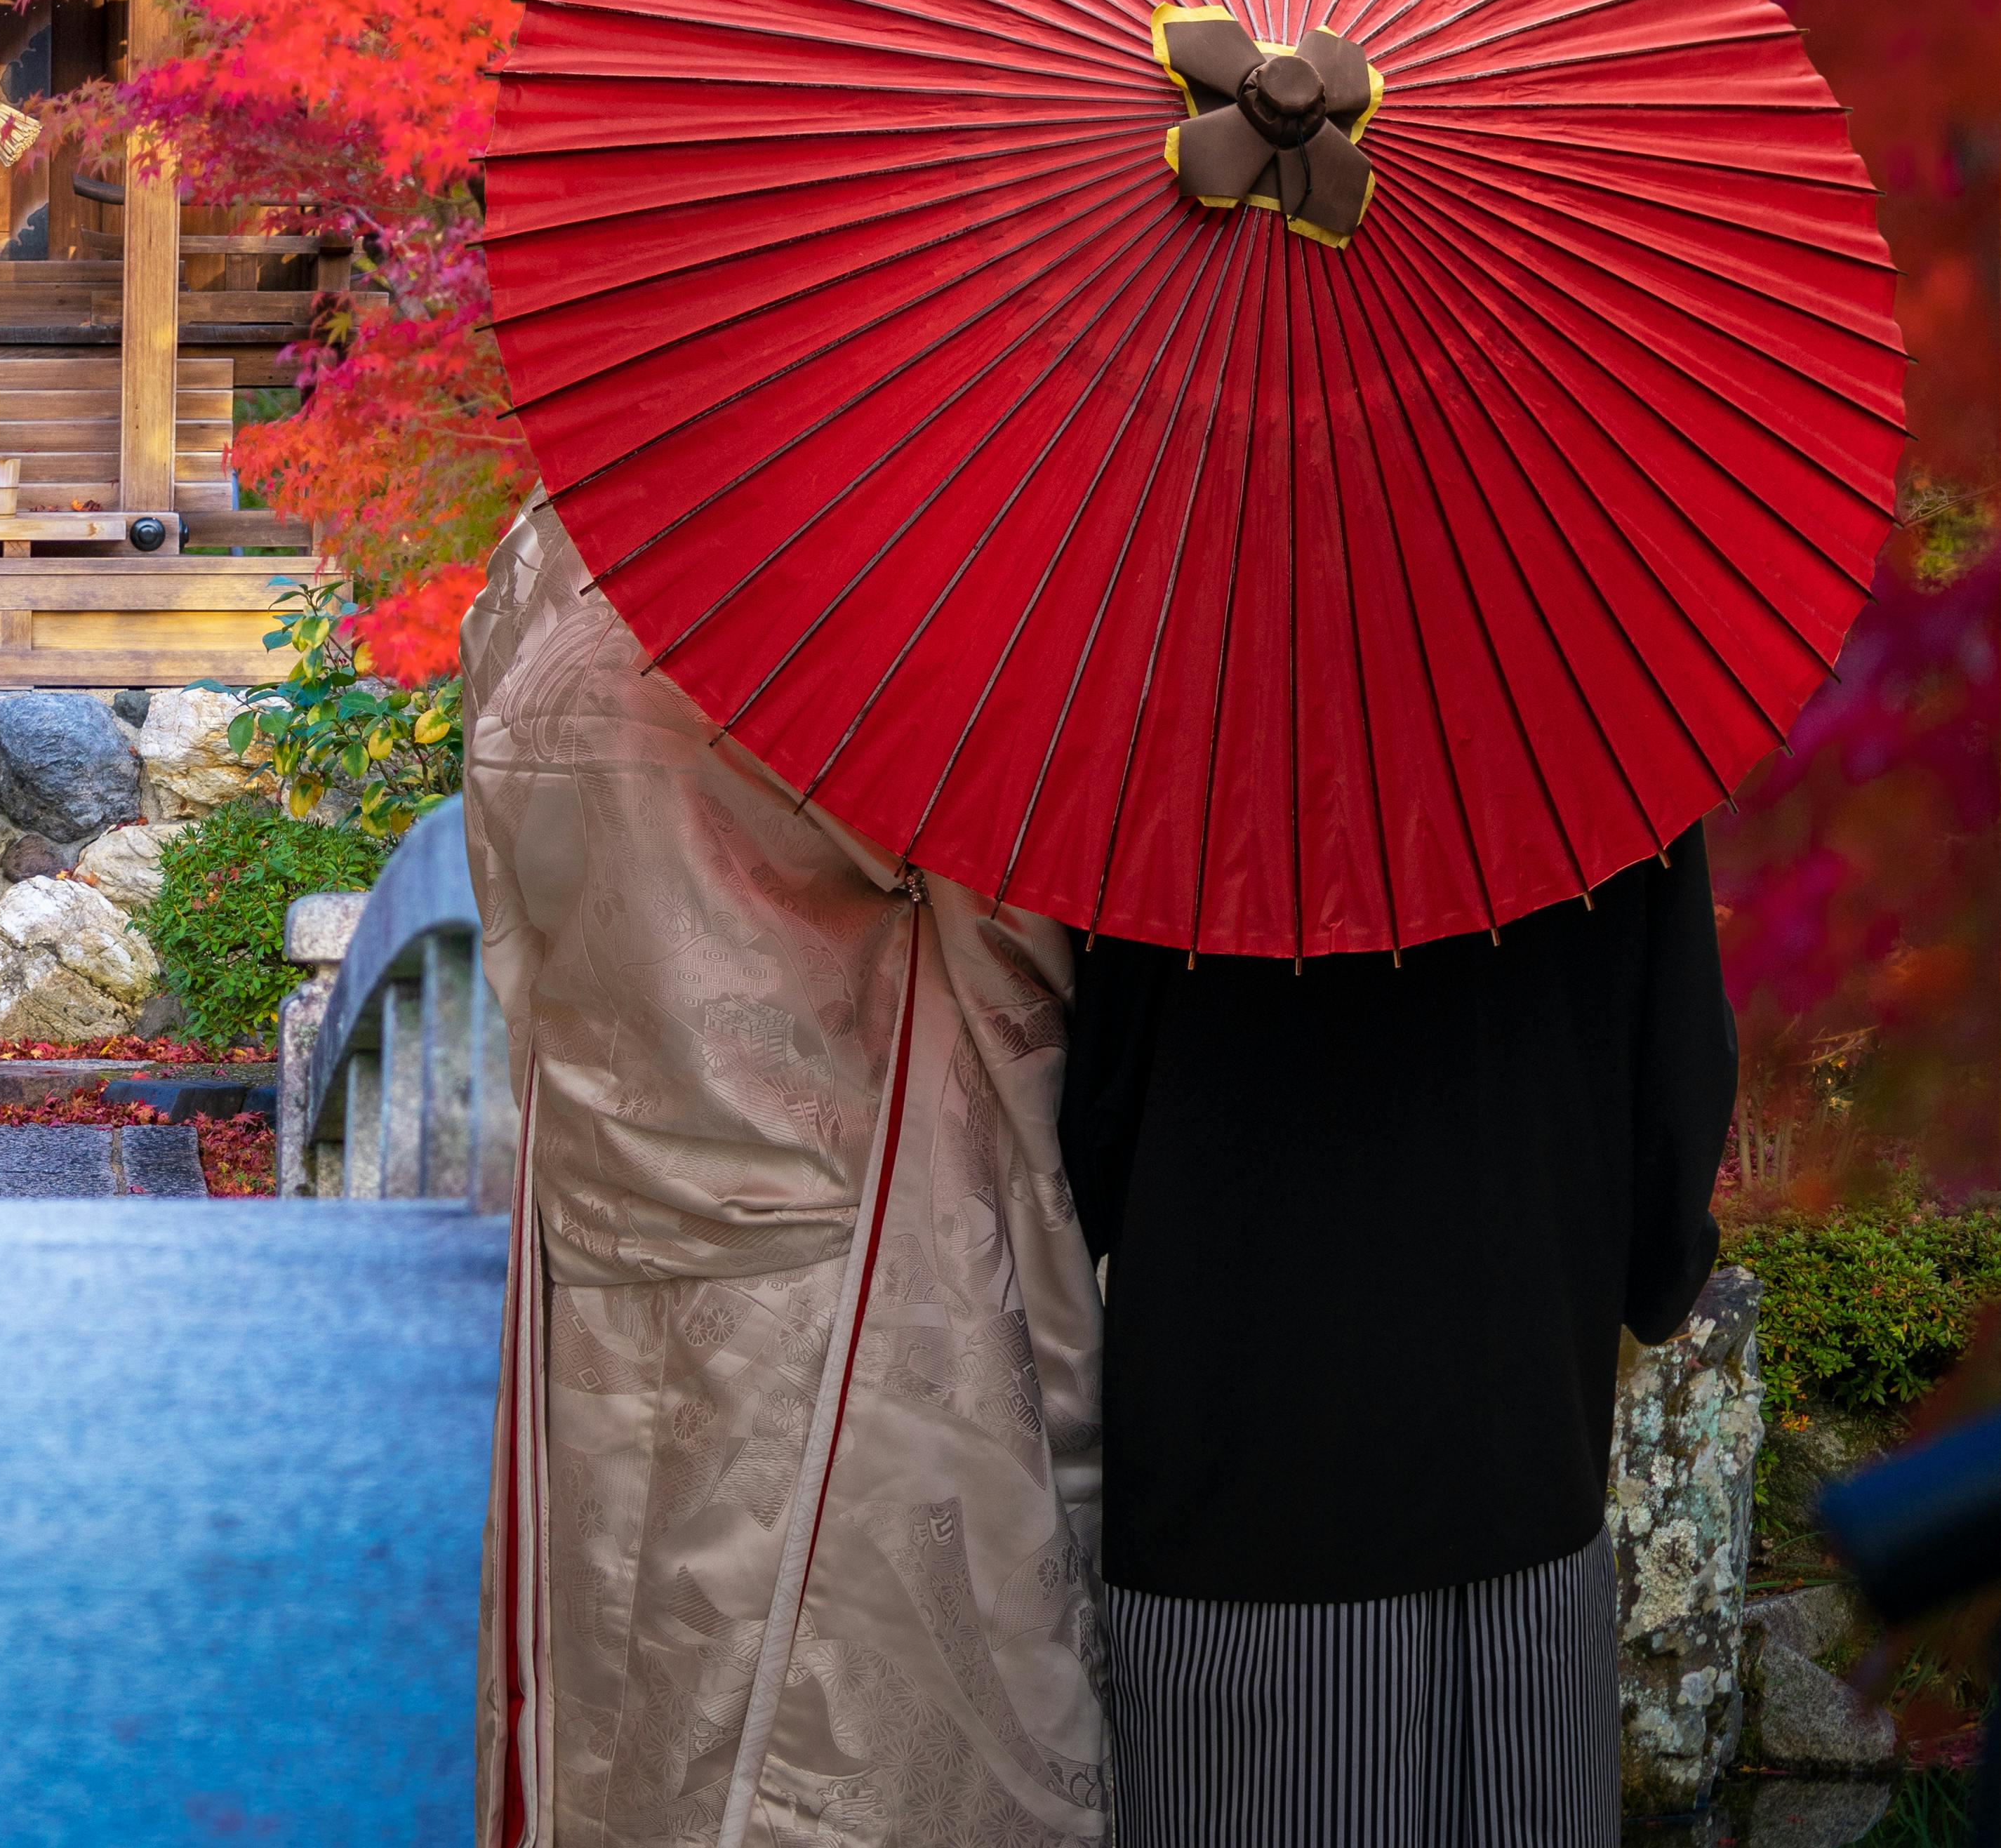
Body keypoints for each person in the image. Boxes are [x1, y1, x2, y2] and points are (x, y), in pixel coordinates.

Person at [459, 504, 1110, 1847]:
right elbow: (1016, 969)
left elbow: (517, 947)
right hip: (851, 1229)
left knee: (614, 1708)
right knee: (830, 1739)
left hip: (600, 1220)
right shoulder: (899, 564)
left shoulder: (544, 561)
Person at [1063, 832, 1733, 1847]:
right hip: (1521, 1461)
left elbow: (1086, 1138)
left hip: (1241, 1487)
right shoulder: (1589, 744)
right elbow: (1676, 1110)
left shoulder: (1164, 754)